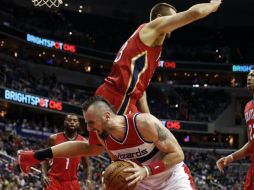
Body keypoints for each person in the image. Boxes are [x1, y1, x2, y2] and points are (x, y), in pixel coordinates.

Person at [90, 0, 223, 145]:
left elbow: (140, 89)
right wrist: (212, 5)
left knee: (95, 148)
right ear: (159, 17)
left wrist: (148, 117)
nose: (173, 22)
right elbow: (195, 13)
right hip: (118, 97)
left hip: (121, 96)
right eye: (171, 17)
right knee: (130, 151)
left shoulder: (150, 39)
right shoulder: (154, 28)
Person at [18, 96, 196, 189]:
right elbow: (85, 148)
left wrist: (147, 170)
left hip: (172, 179)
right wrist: (37, 156)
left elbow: (178, 154)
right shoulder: (105, 137)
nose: (88, 128)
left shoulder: (144, 123)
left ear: (106, 116)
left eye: (91, 123)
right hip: (141, 183)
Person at [216, 69, 254, 190]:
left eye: (253, 75)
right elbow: (251, 143)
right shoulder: (248, 107)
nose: (249, 78)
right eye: (249, 75)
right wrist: (231, 158)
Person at [41, 114, 91, 190]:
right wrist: (44, 175)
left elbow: (86, 165)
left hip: (72, 182)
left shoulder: (84, 142)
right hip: (54, 180)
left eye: (75, 121)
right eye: (69, 120)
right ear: (65, 122)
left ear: (78, 124)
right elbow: (44, 159)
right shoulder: (53, 139)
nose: (72, 122)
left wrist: (88, 179)